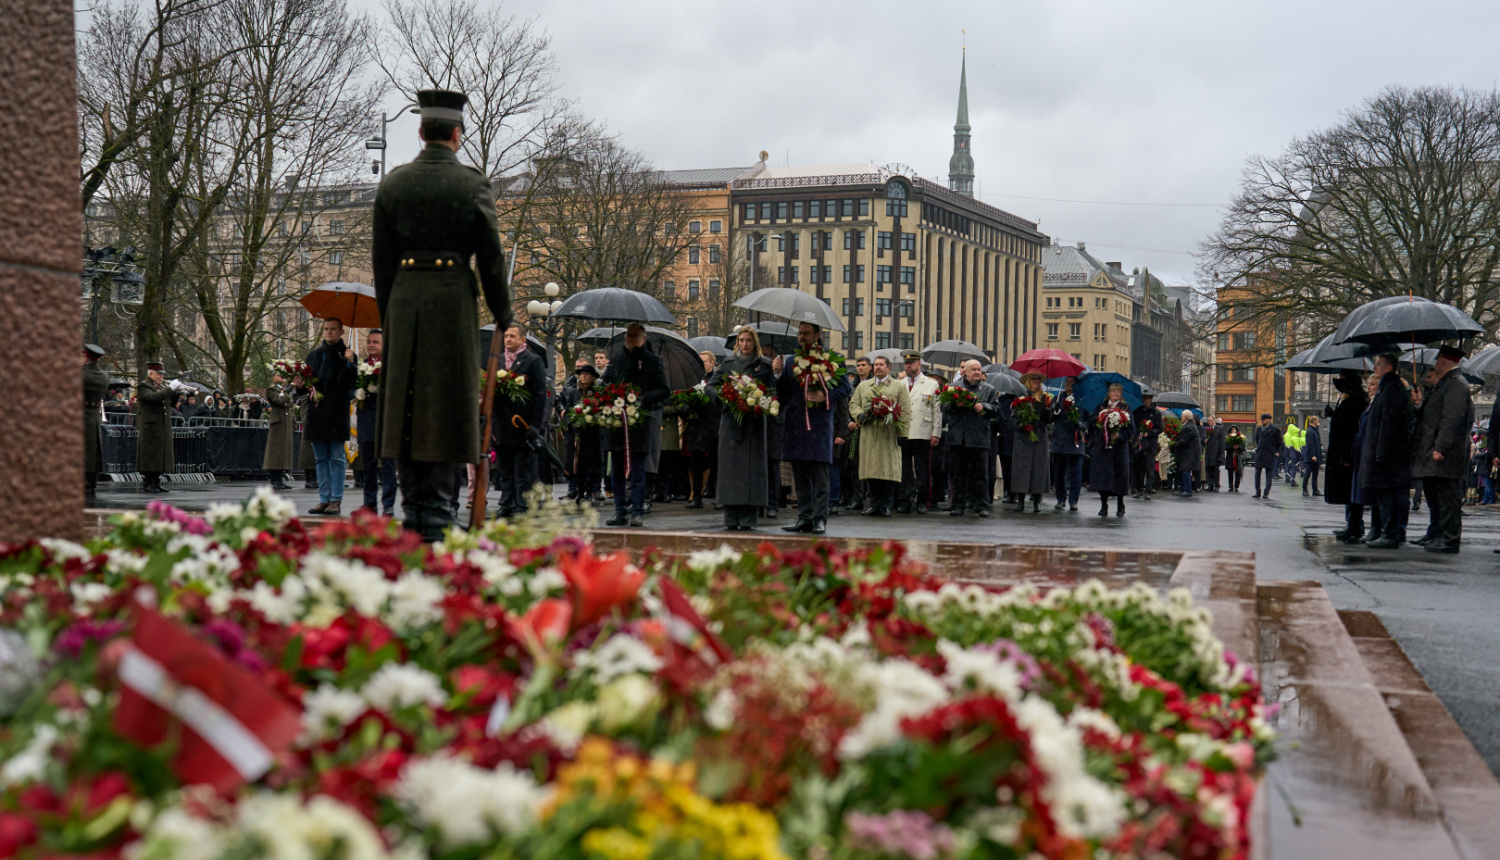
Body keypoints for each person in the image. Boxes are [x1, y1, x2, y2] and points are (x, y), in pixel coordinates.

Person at [372, 88, 511, 541]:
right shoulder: (472, 184)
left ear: (420, 131)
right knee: (450, 406)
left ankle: (414, 513)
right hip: (452, 303)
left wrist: (392, 314)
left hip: (404, 300)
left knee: (407, 405)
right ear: (456, 133)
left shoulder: (393, 184)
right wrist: (503, 313)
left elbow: (382, 263)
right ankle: (439, 515)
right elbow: (490, 258)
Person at [776, 323, 852, 534]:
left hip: (819, 426)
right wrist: (777, 373)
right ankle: (804, 517)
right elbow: (783, 395)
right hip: (796, 425)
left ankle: (820, 518)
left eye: (806, 333)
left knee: (819, 475)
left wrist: (824, 395)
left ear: (817, 335)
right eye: (800, 333)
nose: (802, 337)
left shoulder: (832, 359)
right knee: (799, 475)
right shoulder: (790, 360)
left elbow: (845, 388)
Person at [602, 323, 671, 527]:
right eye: (628, 335)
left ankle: (638, 510)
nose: (631, 339)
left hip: (639, 422)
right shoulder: (616, 359)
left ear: (643, 337)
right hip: (617, 421)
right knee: (616, 469)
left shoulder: (652, 361)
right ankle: (620, 510)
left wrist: (640, 397)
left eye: (635, 335)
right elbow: (606, 382)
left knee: (638, 469)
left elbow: (664, 390)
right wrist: (608, 389)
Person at [709, 327, 775, 530]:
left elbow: (773, 394)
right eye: (742, 340)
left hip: (754, 427)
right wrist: (725, 397)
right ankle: (730, 517)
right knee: (730, 473)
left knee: (752, 474)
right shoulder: (728, 363)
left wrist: (757, 399)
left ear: (754, 342)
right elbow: (710, 386)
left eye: (748, 340)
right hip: (731, 426)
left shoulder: (764, 365)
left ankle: (748, 518)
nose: (745, 344)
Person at [1413, 346, 1472, 554]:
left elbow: (1452, 418)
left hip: (1448, 452)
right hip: (1439, 450)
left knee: (1448, 497)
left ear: (1444, 361)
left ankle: (1450, 538)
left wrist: (1441, 446)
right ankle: (1441, 534)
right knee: (1440, 496)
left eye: (1438, 359)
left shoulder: (1455, 385)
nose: (1435, 363)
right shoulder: (1446, 384)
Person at [300, 317, 357, 515]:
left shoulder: (347, 355)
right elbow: (307, 387)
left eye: (333, 329)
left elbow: (349, 386)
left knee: (337, 458)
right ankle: (324, 498)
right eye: (326, 329)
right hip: (316, 413)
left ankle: (336, 499)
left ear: (341, 331)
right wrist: (300, 385)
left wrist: (351, 364)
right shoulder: (314, 355)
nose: (329, 332)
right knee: (320, 459)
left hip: (337, 412)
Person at [490, 324, 547, 518]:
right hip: (502, 425)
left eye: (512, 336)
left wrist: (535, 425)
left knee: (521, 468)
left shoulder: (532, 361)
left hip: (521, 424)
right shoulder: (497, 361)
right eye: (506, 336)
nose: (508, 339)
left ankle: (522, 505)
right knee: (504, 469)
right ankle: (506, 503)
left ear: (523, 339)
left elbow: (540, 396)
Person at [1360, 353, 1414, 549]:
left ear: (1389, 367)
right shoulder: (1387, 388)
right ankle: (1386, 532)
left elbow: (1388, 424)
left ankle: (1390, 534)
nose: (1375, 367)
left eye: (1378, 364)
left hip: (1388, 454)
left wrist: (1381, 452)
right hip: (1385, 452)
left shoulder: (1391, 390)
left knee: (1387, 495)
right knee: (1383, 495)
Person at [850, 355, 910, 517]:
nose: (878, 367)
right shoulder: (863, 387)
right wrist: (859, 414)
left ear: (888, 368)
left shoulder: (898, 386)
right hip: (869, 434)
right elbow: (854, 403)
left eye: (881, 365)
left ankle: (886, 505)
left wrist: (903, 434)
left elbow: (905, 410)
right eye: (875, 365)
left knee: (888, 471)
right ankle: (874, 504)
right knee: (872, 470)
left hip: (888, 434)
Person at [941, 360, 1000, 517]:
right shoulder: (955, 388)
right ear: (964, 372)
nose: (977, 372)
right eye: (973, 369)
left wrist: (984, 406)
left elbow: (996, 409)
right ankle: (958, 505)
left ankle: (982, 505)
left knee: (981, 474)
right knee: (958, 474)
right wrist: (955, 404)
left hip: (979, 437)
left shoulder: (988, 389)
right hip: (959, 437)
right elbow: (943, 408)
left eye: (979, 369)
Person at [355, 329, 396, 515]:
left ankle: (388, 504)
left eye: (376, 342)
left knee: (388, 466)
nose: (371, 345)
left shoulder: (390, 366)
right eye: (369, 341)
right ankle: (369, 503)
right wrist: (358, 393)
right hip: (367, 421)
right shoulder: (362, 365)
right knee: (368, 466)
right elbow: (351, 387)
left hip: (386, 422)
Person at [897, 352, 942, 514]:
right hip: (903, 432)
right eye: (906, 364)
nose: (908, 366)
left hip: (923, 431)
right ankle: (905, 500)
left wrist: (936, 433)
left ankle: (923, 501)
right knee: (904, 470)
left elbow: (937, 411)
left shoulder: (931, 384)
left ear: (919, 364)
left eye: (912, 363)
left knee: (923, 469)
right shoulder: (900, 383)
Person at [1326, 371, 1369, 540]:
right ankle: (1352, 523)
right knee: (1348, 490)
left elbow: (1350, 429)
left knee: (1350, 490)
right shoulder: (1351, 399)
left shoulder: (1356, 401)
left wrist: (1346, 455)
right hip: (1344, 452)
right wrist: (1333, 414)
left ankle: (1354, 524)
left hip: (1347, 453)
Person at [679, 352, 719, 509]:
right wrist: (690, 405)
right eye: (700, 362)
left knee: (715, 463)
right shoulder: (692, 381)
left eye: (705, 361)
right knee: (696, 463)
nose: (702, 365)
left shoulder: (716, 381)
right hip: (696, 427)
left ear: (712, 363)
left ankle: (717, 496)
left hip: (712, 426)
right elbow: (683, 406)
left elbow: (718, 403)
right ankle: (697, 497)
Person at [1087, 382, 1133, 516]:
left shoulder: (1125, 408)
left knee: (1119, 476)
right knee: (1104, 476)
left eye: (1118, 392)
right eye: (1113, 392)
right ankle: (1104, 505)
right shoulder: (1101, 407)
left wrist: (1119, 435)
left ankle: (1120, 504)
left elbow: (1131, 429)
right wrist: (1098, 424)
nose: (1115, 394)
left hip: (1119, 450)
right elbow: (1092, 425)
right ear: (1109, 393)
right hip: (1104, 448)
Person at [561, 363, 604, 503]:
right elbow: (568, 409)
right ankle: (579, 491)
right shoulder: (575, 391)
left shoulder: (596, 391)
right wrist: (571, 423)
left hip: (592, 434)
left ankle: (590, 490)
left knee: (592, 463)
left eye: (586, 374)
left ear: (592, 377)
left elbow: (600, 408)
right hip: (577, 433)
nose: (583, 376)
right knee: (577, 464)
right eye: (581, 374)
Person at [1010, 371, 1052, 512]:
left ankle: (1037, 500)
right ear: (1028, 381)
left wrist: (1047, 408)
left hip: (1039, 436)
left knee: (1039, 468)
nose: (1036, 381)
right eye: (1033, 378)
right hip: (1023, 437)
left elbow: (1048, 420)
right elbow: (1014, 419)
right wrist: (1023, 425)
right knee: (1021, 469)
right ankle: (1020, 500)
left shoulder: (1045, 398)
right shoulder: (1021, 397)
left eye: (1038, 379)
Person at [134, 362, 175, 493]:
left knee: (160, 456)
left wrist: (176, 392)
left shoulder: (159, 387)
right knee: (151, 456)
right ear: (151, 373)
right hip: (150, 427)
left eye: (162, 374)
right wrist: (169, 389)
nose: (161, 377)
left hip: (161, 426)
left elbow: (171, 403)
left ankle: (156, 481)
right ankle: (148, 483)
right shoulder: (143, 386)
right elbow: (153, 398)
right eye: (159, 374)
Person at [1050, 376, 1084, 511]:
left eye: (1071, 382)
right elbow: (1049, 418)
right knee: (1059, 473)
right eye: (1067, 382)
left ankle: (1073, 500)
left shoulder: (1081, 399)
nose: (1068, 384)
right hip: (1060, 441)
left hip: (1075, 442)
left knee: (1076, 474)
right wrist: (1053, 410)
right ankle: (1060, 499)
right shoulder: (1057, 398)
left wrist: (1082, 425)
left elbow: (1089, 419)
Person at [82, 344, 110, 499]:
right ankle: (91, 484)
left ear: (85, 357)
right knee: (93, 451)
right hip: (94, 416)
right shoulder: (104, 376)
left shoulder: (81, 374)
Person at [263, 370, 296, 491]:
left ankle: (280, 479)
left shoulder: (281, 389)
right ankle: (274, 479)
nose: (281, 377)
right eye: (278, 375)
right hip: (278, 423)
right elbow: (279, 401)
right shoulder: (272, 389)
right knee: (275, 452)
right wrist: (287, 390)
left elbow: (289, 406)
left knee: (283, 452)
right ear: (273, 377)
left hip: (285, 423)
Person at [1131, 393, 1159, 499]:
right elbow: (1134, 425)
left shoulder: (1156, 413)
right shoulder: (1137, 412)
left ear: (1151, 399)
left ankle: (1148, 490)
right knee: (1138, 467)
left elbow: (1159, 428)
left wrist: (1149, 433)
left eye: (1146, 398)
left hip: (1151, 444)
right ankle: (1139, 489)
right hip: (1140, 443)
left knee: (1149, 468)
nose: (1144, 400)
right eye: (1143, 398)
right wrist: (1137, 435)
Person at [1251, 414, 1282, 499]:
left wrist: (1273, 450)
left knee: (1269, 475)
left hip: (1269, 454)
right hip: (1260, 454)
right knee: (1257, 474)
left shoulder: (1275, 430)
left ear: (1269, 420)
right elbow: (1257, 440)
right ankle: (1257, 492)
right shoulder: (1259, 429)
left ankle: (1266, 492)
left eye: (1263, 419)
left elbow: (1279, 442)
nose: (1262, 421)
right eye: (1261, 419)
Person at [1172, 411, 1202, 497]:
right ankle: (1182, 489)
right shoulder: (1190, 425)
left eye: (1182, 416)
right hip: (1188, 453)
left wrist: (1172, 445)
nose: (1180, 418)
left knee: (1185, 471)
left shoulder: (1189, 427)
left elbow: (1184, 441)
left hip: (1189, 453)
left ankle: (1187, 490)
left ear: (1186, 417)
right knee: (1182, 470)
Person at [1203, 416, 1227, 491]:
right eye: (1209, 421)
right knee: (1209, 469)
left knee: (1216, 470)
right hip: (1209, 453)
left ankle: (1216, 485)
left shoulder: (1219, 428)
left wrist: (1221, 452)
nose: (1210, 422)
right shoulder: (1207, 430)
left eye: (1211, 420)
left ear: (1214, 420)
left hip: (1216, 453)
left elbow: (1222, 441)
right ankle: (1210, 484)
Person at [1302, 416, 1323, 497]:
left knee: (1315, 474)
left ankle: (1315, 490)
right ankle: (1304, 490)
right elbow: (1310, 445)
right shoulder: (1310, 431)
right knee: (1307, 474)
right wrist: (1313, 455)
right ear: (1314, 421)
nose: (1318, 422)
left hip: (1316, 457)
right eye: (1317, 421)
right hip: (1311, 457)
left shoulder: (1315, 431)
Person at [1225, 425, 1247, 492]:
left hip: (1238, 458)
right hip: (1230, 457)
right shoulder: (1228, 438)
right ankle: (1231, 486)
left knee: (1238, 472)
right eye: (1232, 430)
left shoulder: (1241, 438)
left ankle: (1236, 486)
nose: (1234, 431)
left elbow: (1243, 448)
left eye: (1235, 430)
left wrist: (1238, 447)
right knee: (1230, 472)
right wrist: (1232, 447)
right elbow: (1225, 447)